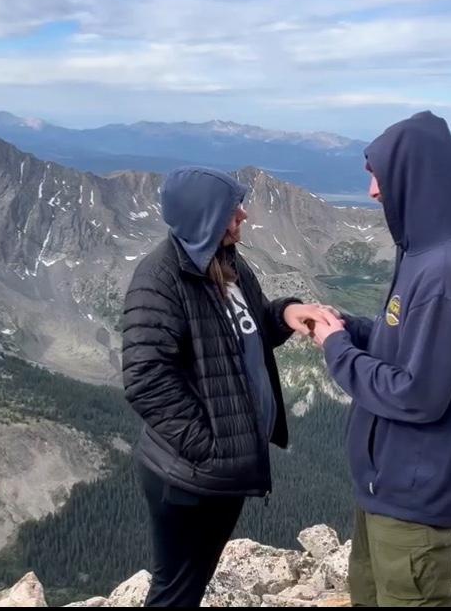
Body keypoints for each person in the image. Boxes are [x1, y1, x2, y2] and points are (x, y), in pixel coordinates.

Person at [311, 111, 451, 607]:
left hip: (412, 507)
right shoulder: (420, 255)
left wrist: (336, 350)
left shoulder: (446, 274)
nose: (373, 190)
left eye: (380, 176)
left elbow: (418, 394)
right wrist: (349, 328)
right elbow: (405, 343)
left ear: (413, 176)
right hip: (384, 491)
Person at [122, 166, 329, 608]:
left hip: (217, 475)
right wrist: (210, 448)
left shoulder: (226, 263)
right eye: (232, 209)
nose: (243, 215)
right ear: (205, 217)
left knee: (191, 584)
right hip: (188, 479)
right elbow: (145, 377)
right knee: (175, 590)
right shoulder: (159, 278)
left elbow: (248, 329)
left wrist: (285, 315)